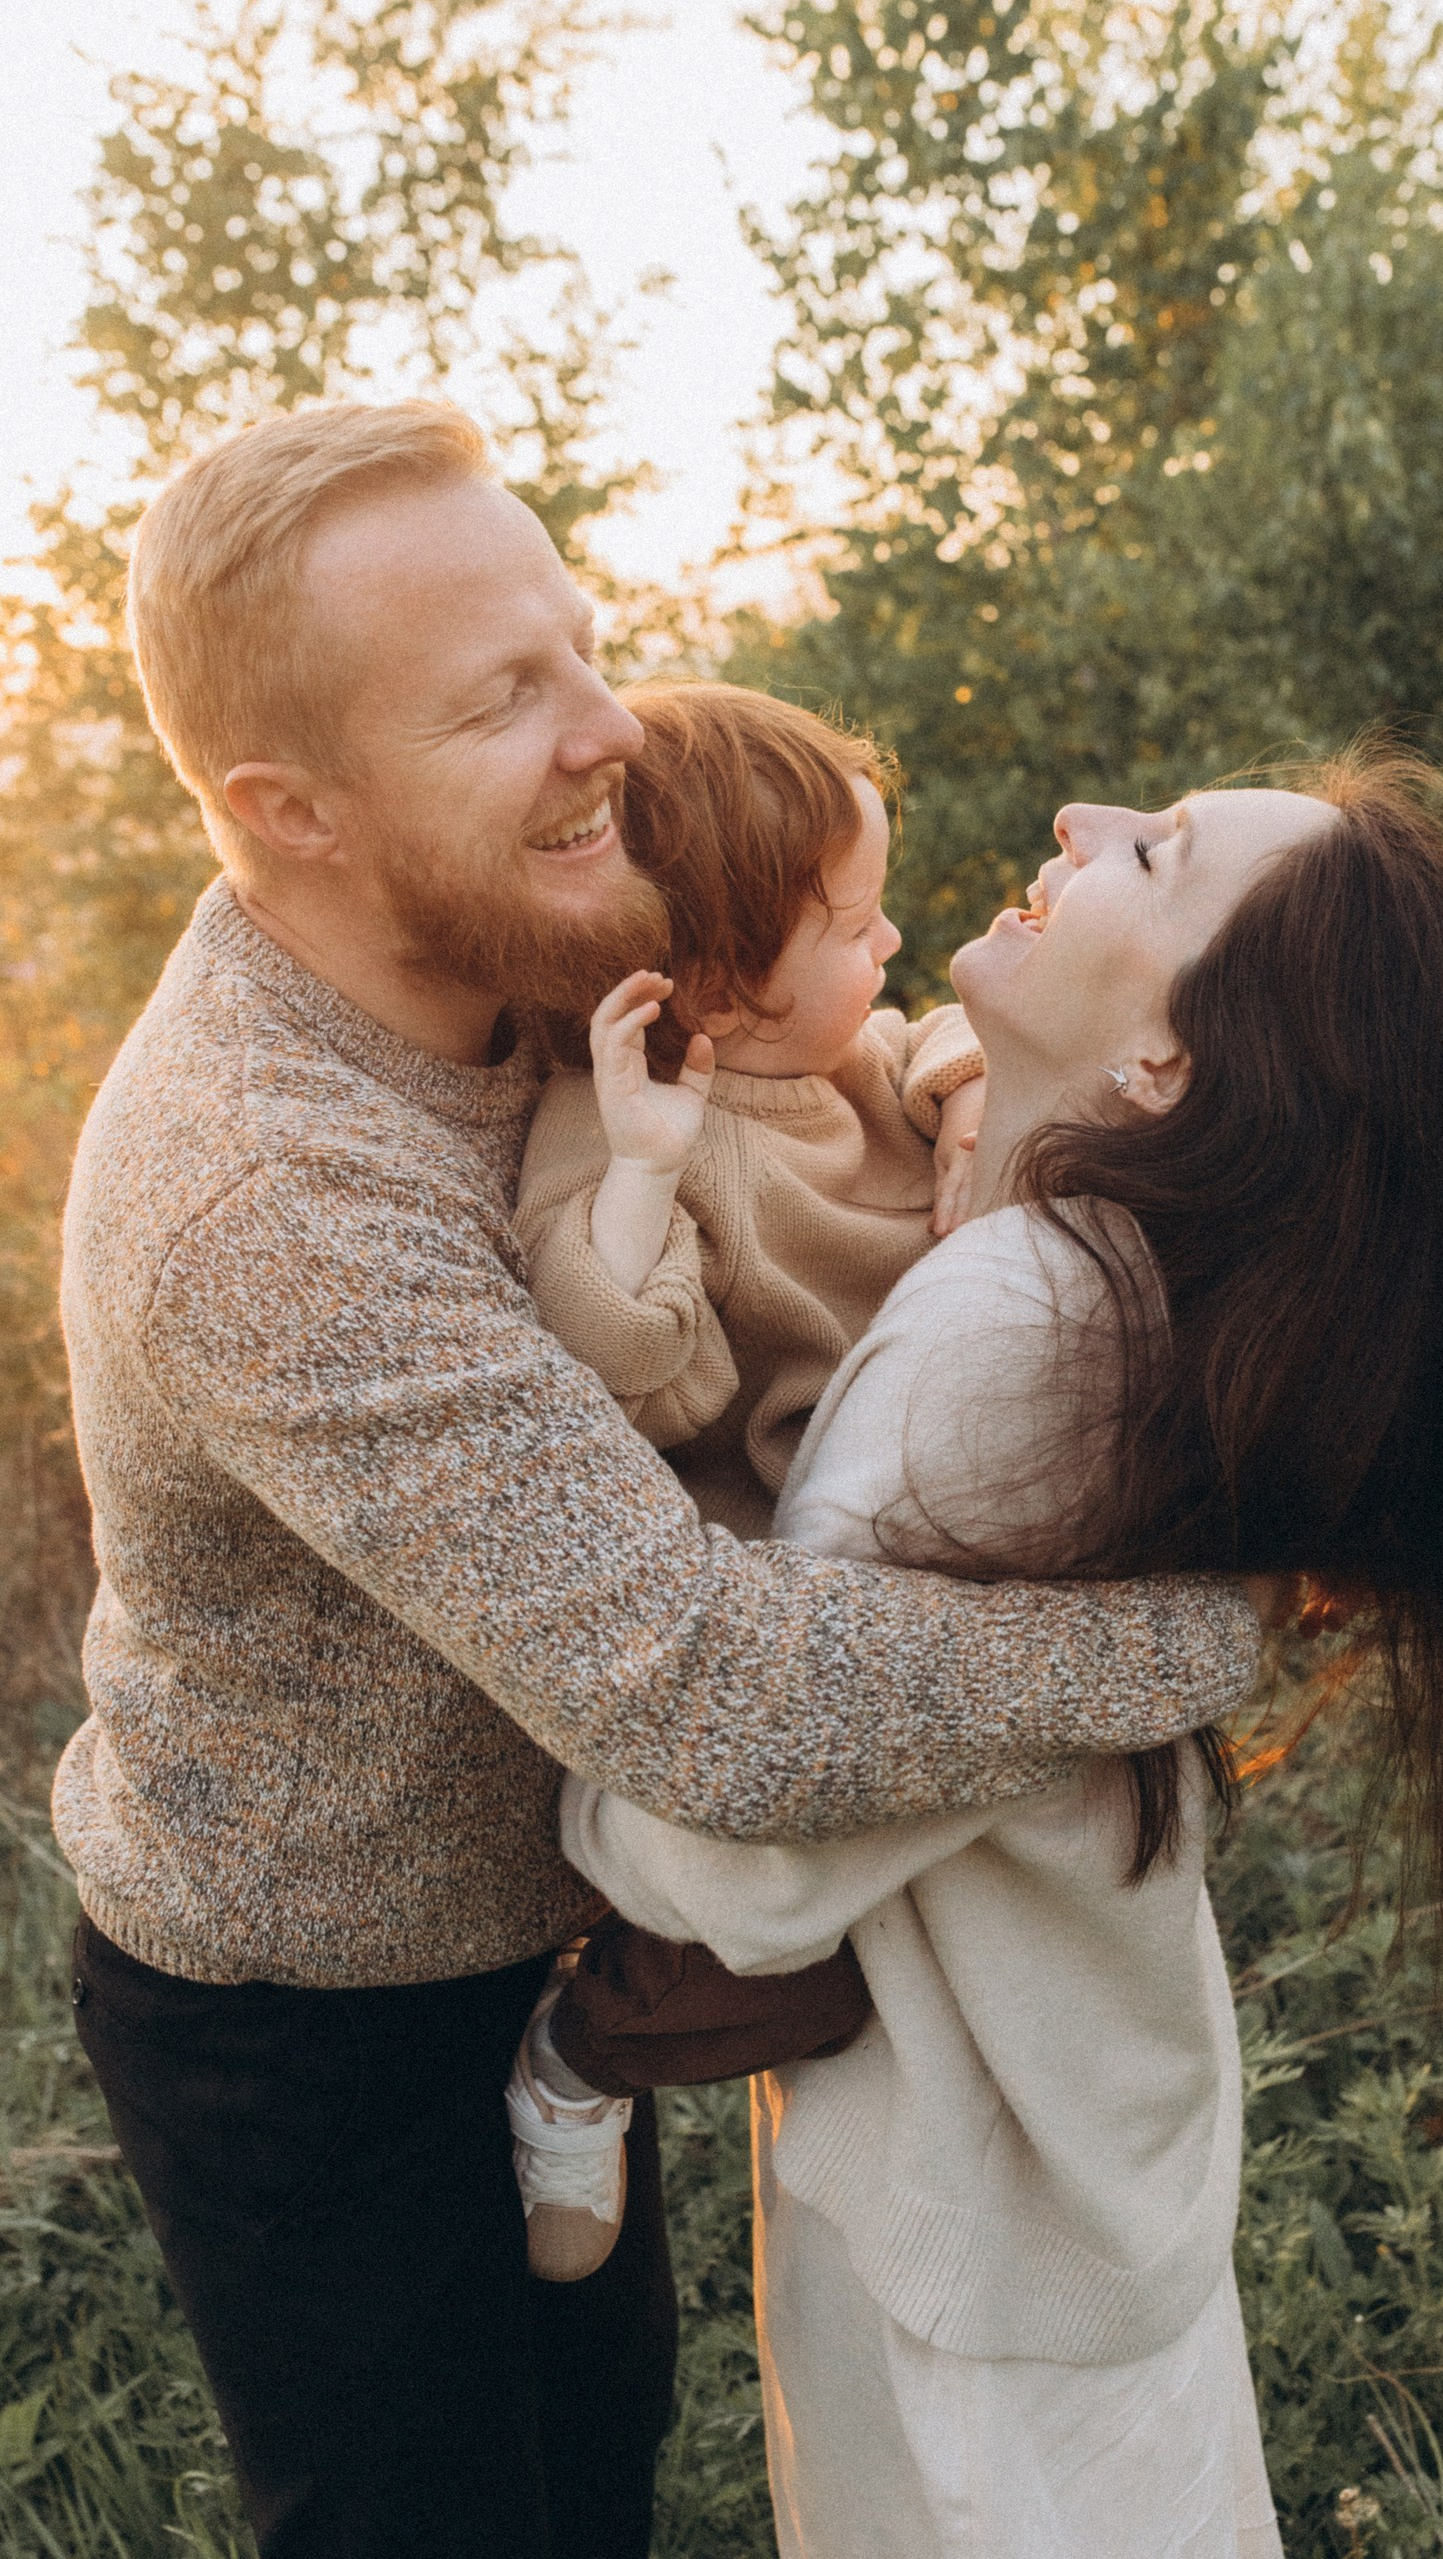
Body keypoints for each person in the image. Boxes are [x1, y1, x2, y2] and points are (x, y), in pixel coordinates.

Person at [52, 398, 1262, 2559]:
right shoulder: (261, 1203)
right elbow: (703, 1689)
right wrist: (1217, 1624)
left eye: (580, 646)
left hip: (543, 1919)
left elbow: (802, 1058)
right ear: (288, 811)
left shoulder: (518, 942)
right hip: (313, 2005)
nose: (609, 726)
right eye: (504, 694)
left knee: (590, 2466)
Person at [552, 760, 1443, 2557]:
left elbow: (740, 1852)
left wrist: (592, 1805)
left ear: (1170, 1069)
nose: (1078, 827)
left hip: (976, 2266)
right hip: (1071, 2181)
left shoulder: (1013, 1334)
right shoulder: (1106, 1285)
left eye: (1158, 854)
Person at [505, 680, 988, 2276]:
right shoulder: (635, 1125)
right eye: (853, 922)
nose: (892, 945)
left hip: (908, 1551)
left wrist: (968, 1078)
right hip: (764, 1616)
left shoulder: (849, 1056)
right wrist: (644, 1172)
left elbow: (950, 1030)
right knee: (784, 1960)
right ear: (714, 978)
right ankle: (585, 2054)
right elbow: (610, 1360)